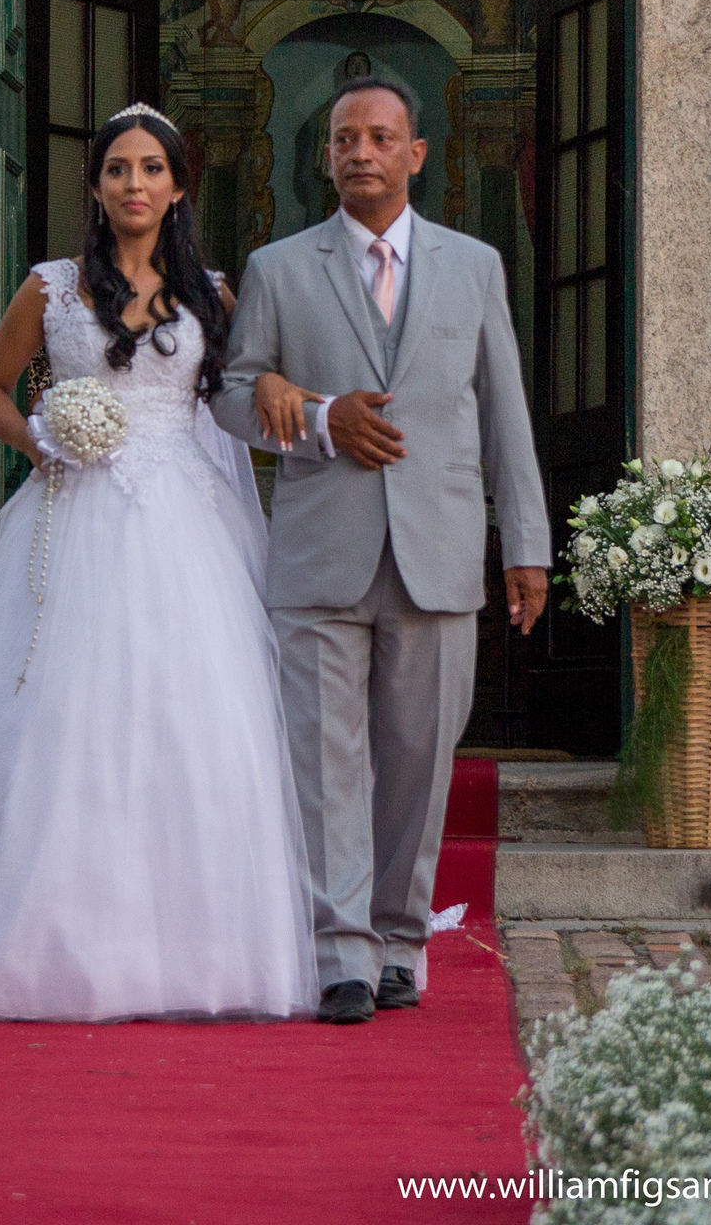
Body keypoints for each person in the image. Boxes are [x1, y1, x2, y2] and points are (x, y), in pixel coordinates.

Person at [0, 104, 317, 1022]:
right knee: (65, 724)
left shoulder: (212, 293)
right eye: (117, 168)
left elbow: (246, 397)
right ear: (95, 185)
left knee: (196, 725)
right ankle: (45, 940)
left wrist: (287, 389)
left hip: (188, 529)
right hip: (75, 517)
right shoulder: (50, 289)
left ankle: (202, 950)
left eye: (151, 168)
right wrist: (43, 440)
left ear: (176, 184)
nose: (134, 184)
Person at [212, 76, 550, 1025]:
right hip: (321, 553)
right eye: (343, 138)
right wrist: (318, 419)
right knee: (325, 767)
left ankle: (401, 942)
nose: (361, 151)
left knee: (416, 762)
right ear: (325, 157)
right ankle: (340, 957)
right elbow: (235, 396)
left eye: (380, 136)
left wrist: (526, 546)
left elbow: (506, 413)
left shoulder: (473, 265)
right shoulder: (278, 267)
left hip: (439, 551)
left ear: (417, 154)